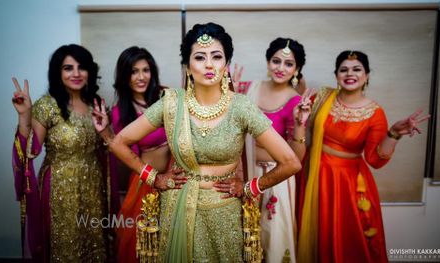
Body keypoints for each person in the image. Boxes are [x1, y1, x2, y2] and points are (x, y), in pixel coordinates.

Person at [92, 22, 302, 262]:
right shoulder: (171, 103)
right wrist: (152, 177)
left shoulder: (241, 107)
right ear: (188, 67)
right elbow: (120, 142)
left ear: (226, 64)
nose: (209, 64)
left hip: (224, 211)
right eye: (200, 57)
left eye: (217, 56)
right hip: (177, 208)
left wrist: (249, 187)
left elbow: (290, 162)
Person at [295, 50, 430, 263]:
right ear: (336, 74)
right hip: (314, 175)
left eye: (357, 69)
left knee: (347, 241)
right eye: (344, 69)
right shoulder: (321, 98)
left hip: (347, 184)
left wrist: (393, 133)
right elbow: (294, 113)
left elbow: (375, 160)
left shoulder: (375, 113)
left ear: (366, 75)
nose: (350, 74)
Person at [11, 44, 115, 262]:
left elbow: (112, 146)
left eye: (81, 67)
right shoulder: (47, 106)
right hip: (59, 188)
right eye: (68, 68)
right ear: (58, 73)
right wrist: (24, 116)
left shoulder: (97, 104)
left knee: (94, 242)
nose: (76, 74)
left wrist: (105, 130)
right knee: (66, 246)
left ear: (90, 72)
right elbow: (31, 152)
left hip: (94, 187)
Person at [233, 37, 308, 263]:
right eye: (276, 61)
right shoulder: (246, 89)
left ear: (297, 69)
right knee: (243, 233)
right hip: (244, 173)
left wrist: (299, 125)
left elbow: (297, 158)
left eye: (288, 64)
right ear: (267, 62)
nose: (280, 68)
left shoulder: (296, 102)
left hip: (278, 179)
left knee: (273, 238)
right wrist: (230, 96)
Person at [111, 46, 170, 263]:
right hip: (147, 182)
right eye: (134, 71)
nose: (141, 77)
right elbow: (125, 153)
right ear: (124, 75)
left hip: (177, 179)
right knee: (147, 244)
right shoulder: (120, 111)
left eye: (146, 70)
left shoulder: (166, 96)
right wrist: (155, 178)